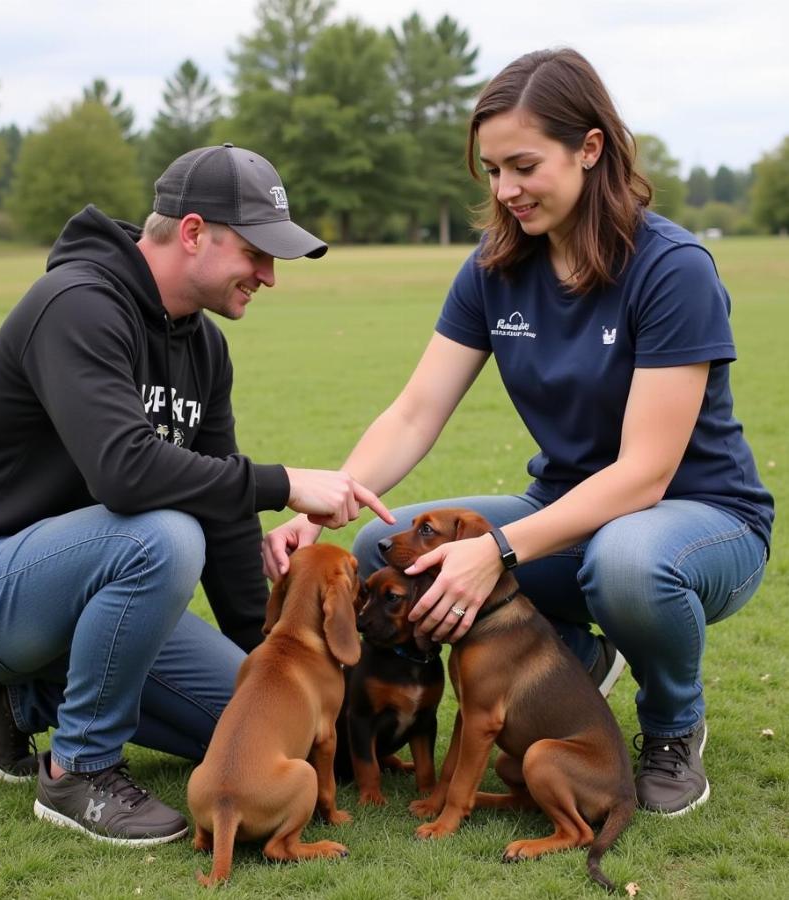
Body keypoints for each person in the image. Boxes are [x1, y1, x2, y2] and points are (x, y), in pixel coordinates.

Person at [264, 49, 774, 818]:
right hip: (564, 515)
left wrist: (497, 550)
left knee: (625, 561)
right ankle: (572, 658)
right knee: (384, 547)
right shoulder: (494, 267)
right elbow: (414, 412)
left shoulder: (671, 268)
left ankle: (672, 726)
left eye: (524, 166)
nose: (505, 190)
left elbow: (645, 475)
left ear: (590, 148)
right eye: (492, 170)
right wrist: (323, 506)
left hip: (697, 525)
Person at [0, 143, 392, 845]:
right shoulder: (77, 305)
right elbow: (124, 474)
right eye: (256, 252)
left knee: (255, 721)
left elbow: (222, 519)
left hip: (78, 594)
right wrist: (283, 484)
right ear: (193, 232)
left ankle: (22, 693)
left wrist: (278, 677)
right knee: (161, 535)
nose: (270, 277)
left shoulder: (204, 348)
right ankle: (80, 774)